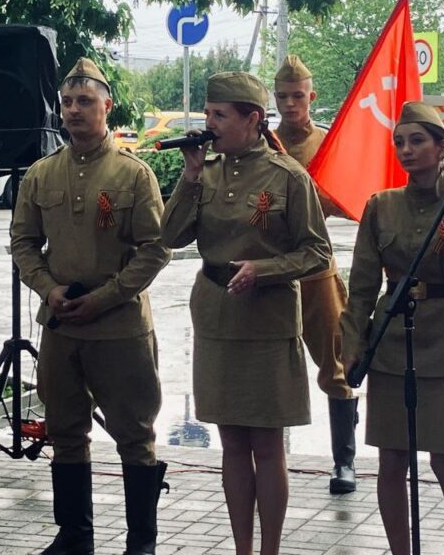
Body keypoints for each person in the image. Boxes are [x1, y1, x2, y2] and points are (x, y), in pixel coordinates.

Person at [160, 72, 332, 555]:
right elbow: (170, 236)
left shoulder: (287, 176)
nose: (209, 123)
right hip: (217, 317)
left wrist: (265, 269)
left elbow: (317, 251)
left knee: (267, 444)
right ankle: (242, 547)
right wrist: (190, 176)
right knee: (232, 443)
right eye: (207, 114)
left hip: (267, 321)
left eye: (219, 115)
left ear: (252, 119)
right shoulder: (207, 172)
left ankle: (269, 548)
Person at [11, 58, 171, 555]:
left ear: (107, 106)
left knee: (134, 434)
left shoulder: (133, 174)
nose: (74, 110)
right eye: (67, 102)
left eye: (85, 101)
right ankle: (75, 537)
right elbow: (22, 243)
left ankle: (141, 542)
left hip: (119, 326)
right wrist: (47, 289)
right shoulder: (41, 174)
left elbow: (155, 249)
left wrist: (103, 298)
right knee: (65, 430)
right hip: (62, 326)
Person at [339, 101, 444, 555]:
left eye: (416, 141)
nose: (406, 150)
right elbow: (361, 286)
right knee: (391, 462)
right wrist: (353, 343)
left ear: (441, 147)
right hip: (391, 342)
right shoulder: (381, 207)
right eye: (399, 143)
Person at [271, 55, 359, 494]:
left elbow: (350, 199)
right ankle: (268, 459)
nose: (290, 104)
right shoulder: (263, 144)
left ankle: (344, 460)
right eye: (282, 97)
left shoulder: (329, 145)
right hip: (270, 270)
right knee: (269, 364)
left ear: (312, 97)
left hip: (315, 270)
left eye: (298, 96)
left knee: (336, 365)